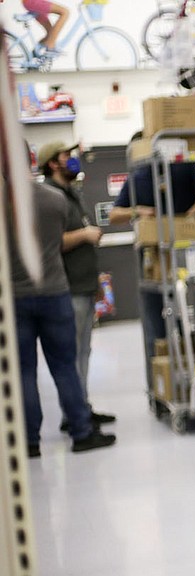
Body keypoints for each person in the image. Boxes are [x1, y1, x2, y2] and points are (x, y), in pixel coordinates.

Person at [7, 145, 116, 458]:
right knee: (65, 366)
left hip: (16, 296)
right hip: (54, 291)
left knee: (25, 371)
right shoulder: (54, 200)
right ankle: (81, 432)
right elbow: (57, 242)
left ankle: (29, 441)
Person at [108, 131, 195, 355]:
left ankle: (175, 363)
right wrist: (138, 211)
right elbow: (114, 214)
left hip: (184, 253)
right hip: (154, 257)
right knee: (159, 319)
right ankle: (167, 366)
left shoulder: (180, 167)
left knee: (186, 315)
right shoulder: (137, 177)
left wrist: (188, 219)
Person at [36, 141, 117, 431]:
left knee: (83, 352)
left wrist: (95, 282)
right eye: (65, 156)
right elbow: (53, 243)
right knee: (71, 355)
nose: (72, 160)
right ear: (52, 163)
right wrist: (84, 235)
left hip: (83, 285)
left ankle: (81, 407)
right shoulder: (49, 197)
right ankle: (74, 415)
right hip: (66, 288)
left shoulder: (71, 194)